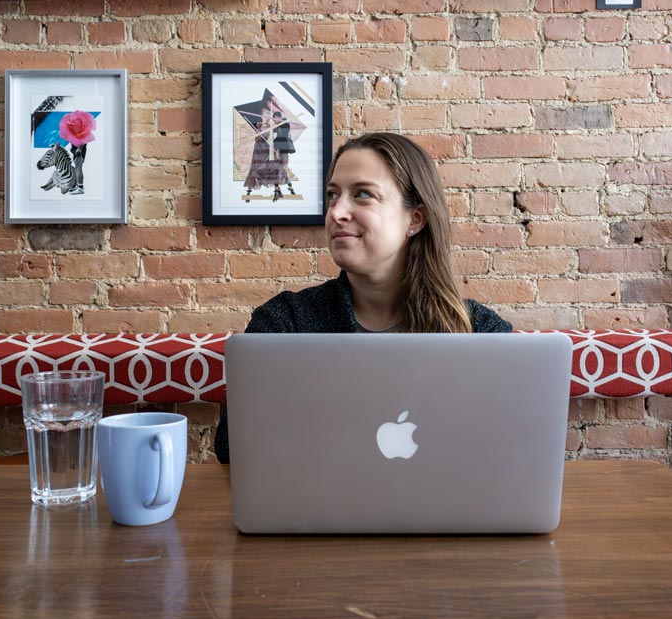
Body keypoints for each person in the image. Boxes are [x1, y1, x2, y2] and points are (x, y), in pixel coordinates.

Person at [214, 132, 512, 463]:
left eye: (363, 194)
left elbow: (505, 453)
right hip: (320, 512)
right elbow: (232, 449)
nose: (337, 212)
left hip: (442, 513)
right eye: (332, 195)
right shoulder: (284, 323)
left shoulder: (481, 332)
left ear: (415, 219)